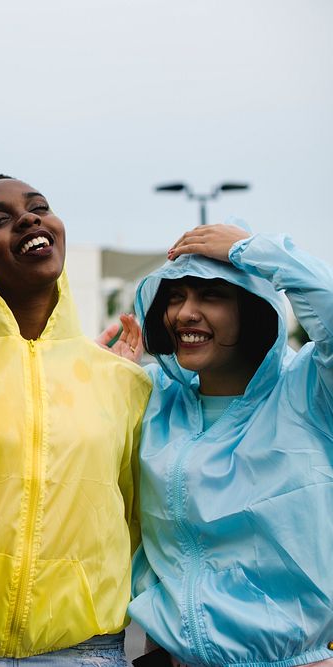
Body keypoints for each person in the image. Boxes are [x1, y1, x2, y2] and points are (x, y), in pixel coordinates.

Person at [0, 174, 150, 665]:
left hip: (84, 651)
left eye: (38, 207)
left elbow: (145, 522)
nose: (29, 219)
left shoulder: (122, 381)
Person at [128, 223, 333, 667]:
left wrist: (252, 250)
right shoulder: (151, 394)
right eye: (176, 296)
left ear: (255, 309)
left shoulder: (310, 391)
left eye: (211, 296)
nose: (185, 313)